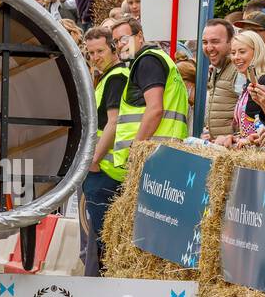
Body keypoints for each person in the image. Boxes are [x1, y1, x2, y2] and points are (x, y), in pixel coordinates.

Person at [102, 16, 189, 181]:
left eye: (124, 39)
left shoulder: (147, 61)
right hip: (163, 150)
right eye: (116, 41)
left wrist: (136, 147)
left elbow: (155, 109)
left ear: (140, 36)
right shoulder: (156, 58)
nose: (120, 45)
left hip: (152, 153)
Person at [81, 26, 128, 277]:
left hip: (106, 171)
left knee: (104, 241)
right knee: (99, 241)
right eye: (90, 53)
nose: (95, 57)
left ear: (113, 48)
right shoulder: (107, 77)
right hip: (103, 170)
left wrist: (94, 160)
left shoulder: (116, 77)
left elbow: (114, 121)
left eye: (100, 51)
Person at [213, 30, 265, 147]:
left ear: (257, 52)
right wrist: (235, 138)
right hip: (250, 153)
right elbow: (248, 128)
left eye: (242, 52)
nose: (236, 57)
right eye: (233, 53)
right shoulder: (249, 82)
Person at [201, 18, 238, 137]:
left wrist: (234, 139)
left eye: (215, 42)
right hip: (220, 149)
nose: (209, 48)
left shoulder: (239, 70)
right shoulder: (217, 69)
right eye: (205, 42)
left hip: (236, 151)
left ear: (231, 42)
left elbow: (251, 116)